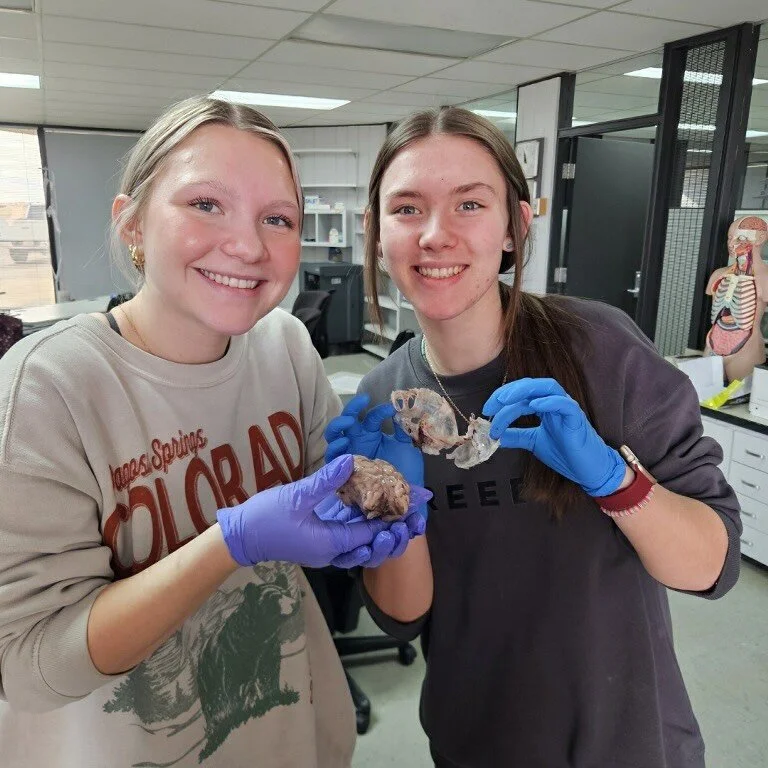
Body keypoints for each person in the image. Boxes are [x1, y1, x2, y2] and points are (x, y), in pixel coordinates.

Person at [0, 96, 426, 767]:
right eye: (205, 204)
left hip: (288, 734)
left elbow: (335, 521)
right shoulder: (47, 387)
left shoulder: (284, 346)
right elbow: (30, 666)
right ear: (132, 222)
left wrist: (378, 497)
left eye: (277, 218)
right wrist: (231, 542)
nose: (249, 246)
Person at [324, 107, 742, 768]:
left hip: (626, 743)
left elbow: (713, 567)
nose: (435, 234)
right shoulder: (380, 402)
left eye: (469, 204)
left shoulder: (602, 350)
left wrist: (613, 480)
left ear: (515, 226)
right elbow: (403, 619)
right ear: (376, 233)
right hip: (475, 741)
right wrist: (395, 513)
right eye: (406, 209)